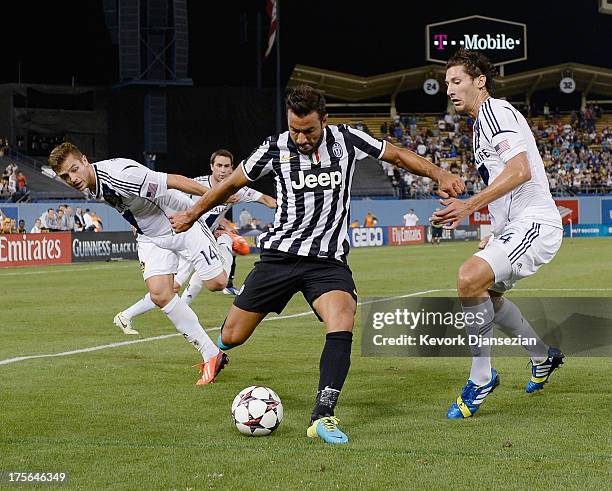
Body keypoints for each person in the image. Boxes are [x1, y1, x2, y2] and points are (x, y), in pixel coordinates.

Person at [170, 84, 463, 444]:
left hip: (327, 262)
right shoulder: (274, 148)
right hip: (280, 257)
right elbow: (230, 184)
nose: (301, 137)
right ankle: (219, 353)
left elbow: (398, 156)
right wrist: (192, 213)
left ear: (324, 120)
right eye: (295, 129)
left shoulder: (349, 140)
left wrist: (440, 174)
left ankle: (323, 415)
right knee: (233, 335)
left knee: (343, 318)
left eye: (308, 130)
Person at [435, 49, 564, 419]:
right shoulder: (479, 128)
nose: (450, 90)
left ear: (480, 82)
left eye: (456, 81)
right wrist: (493, 231)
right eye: (447, 84)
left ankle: (481, 377)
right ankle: (543, 356)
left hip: (536, 223)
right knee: (486, 295)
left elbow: (520, 170)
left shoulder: (496, 112)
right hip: (517, 225)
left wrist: (469, 206)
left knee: (467, 278)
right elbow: (502, 183)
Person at [48, 142, 230, 386]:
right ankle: (211, 355)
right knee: (160, 294)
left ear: (84, 159)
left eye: (74, 169)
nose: (72, 178)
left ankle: (227, 243)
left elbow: (172, 181)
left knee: (217, 283)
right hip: (151, 235)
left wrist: (213, 198)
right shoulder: (88, 185)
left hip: (180, 221)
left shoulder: (122, 174)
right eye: (65, 176)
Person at [115, 149, 276, 333]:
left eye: (227, 166)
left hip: (199, 242)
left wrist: (289, 208)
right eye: (219, 166)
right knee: (176, 284)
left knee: (188, 281)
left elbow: (265, 199)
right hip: (181, 237)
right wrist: (140, 219)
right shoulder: (197, 184)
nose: (222, 170)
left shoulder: (237, 189)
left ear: (233, 169)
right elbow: (163, 189)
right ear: (212, 167)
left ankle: (127, 315)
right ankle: (127, 315)